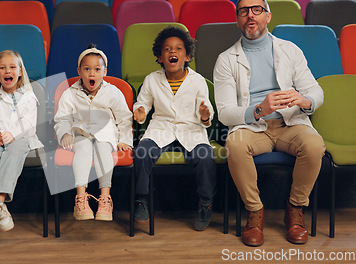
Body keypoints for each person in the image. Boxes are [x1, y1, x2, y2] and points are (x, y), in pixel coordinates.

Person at [213, 0, 325, 246]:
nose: (250, 16)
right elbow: (224, 112)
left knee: (315, 146)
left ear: (268, 16)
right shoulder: (225, 60)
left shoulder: (290, 50)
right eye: (243, 11)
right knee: (235, 144)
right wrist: (258, 109)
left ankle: (295, 209)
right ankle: (254, 212)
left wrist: (304, 100)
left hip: (291, 124)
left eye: (256, 10)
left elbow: (316, 91)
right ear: (238, 18)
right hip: (253, 127)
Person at [133, 26, 216, 231]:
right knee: (142, 152)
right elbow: (142, 103)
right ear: (160, 57)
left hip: (191, 129)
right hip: (161, 128)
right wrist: (140, 111)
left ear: (187, 56)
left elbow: (206, 107)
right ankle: (141, 199)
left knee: (205, 157)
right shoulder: (152, 79)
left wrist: (205, 115)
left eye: (178, 49)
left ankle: (205, 203)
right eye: (167, 49)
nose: (172, 52)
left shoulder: (197, 81)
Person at [54, 44, 133, 221]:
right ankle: (81, 197)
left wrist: (124, 139)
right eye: (87, 69)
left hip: (105, 134)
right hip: (80, 132)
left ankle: (105, 197)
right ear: (79, 71)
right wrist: (65, 133)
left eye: (97, 69)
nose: (92, 74)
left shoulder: (113, 92)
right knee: (82, 150)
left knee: (103, 150)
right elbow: (62, 119)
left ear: (105, 72)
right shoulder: (69, 93)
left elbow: (125, 119)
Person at [0, 50, 43, 231]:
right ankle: (0, 208)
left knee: (14, 152)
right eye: (2, 68)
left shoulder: (29, 96)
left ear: (20, 71)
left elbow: (29, 123)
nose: (8, 71)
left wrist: (13, 134)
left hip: (21, 138)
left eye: (13, 67)